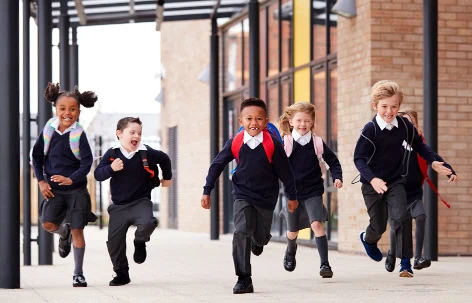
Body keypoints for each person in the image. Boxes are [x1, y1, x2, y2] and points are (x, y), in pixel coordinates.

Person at [353, 80, 456, 278]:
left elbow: (420, 146)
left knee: (402, 216)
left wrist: (437, 163)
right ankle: (368, 239)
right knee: (379, 225)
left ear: (399, 107)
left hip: (395, 180)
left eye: (394, 106)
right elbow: (359, 158)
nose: (389, 111)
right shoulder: (370, 130)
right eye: (384, 106)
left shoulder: (404, 126)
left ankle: (406, 264)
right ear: (375, 106)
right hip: (372, 184)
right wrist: (373, 179)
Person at [201, 97, 298, 294]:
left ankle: (258, 240)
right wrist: (207, 190)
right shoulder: (235, 142)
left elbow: (286, 172)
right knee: (241, 230)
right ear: (241, 121)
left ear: (266, 121)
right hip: (242, 193)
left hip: (266, 197)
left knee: (260, 238)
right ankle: (244, 278)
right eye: (249, 119)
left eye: (259, 119)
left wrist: (292, 196)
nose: (254, 123)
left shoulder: (272, 144)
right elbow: (217, 165)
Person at [32, 82, 98, 287]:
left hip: (76, 190)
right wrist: (42, 181)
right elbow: (37, 157)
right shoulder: (48, 131)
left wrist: (72, 179)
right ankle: (64, 232)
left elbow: (87, 162)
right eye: (63, 109)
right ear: (56, 109)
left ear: (79, 112)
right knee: (48, 224)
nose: (67, 113)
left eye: (72, 109)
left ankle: (78, 273)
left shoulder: (79, 134)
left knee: (78, 229)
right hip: (54, 191)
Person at [94, 117, 172, 286]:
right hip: (118, 207)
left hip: (140, 202)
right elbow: (98, 175)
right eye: (132, 132)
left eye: (139, 133)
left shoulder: (147, 152)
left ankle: (140, 241)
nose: (136, 136)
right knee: (114, 244)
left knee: (148, 222)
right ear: (119, 134)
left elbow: (164, 159)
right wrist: (111, 168)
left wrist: (167, 178)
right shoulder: (112, 154)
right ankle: (122, 273)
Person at [385, 109, 457, 272]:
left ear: (416, 127)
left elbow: (436, 158)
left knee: (421, 216)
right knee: (397, 226)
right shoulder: (393, 145)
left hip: (415, 193)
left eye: (411, 124)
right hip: (397, 194)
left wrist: (450, 171)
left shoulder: (420, 146)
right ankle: (391, 253)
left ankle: (417, 257)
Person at [278, 102, 343, 278]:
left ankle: (325, 264)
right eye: (299, 120)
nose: (303, 124)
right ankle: (290, 251)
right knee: (293, 231)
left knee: (317, 224)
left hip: (313, 190)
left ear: (312, 122)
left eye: (307, 120)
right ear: (291, 122)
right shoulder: (285, 143)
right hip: (293, 194)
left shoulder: (317, 143)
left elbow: (333, 162)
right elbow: (274, 165)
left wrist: (337, 177)